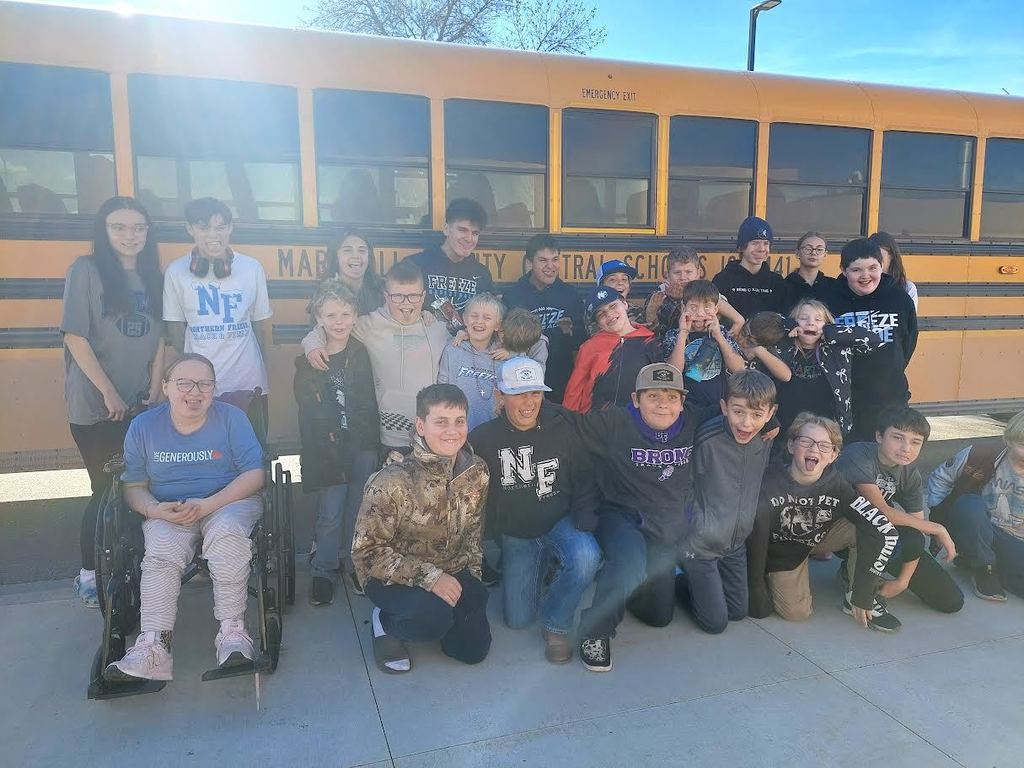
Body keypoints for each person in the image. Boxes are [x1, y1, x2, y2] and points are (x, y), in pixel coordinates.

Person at [104, 354, 266, 683]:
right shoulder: (144, 426)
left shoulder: (232, 418)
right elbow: (133, 486)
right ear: (165, 387)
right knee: (160, 545)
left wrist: (209, 505)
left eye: (204, 383)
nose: (195, 391)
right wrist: (153, 510)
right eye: (183, 383)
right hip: (169, 508)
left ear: (214, 388)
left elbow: (255, 475)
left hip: (229, 500)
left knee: (227, 534)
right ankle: (154, 647)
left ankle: (233, 633)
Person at [62, 196, 165, 608]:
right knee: (104, 489)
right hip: (95, 405)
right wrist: (107, 391)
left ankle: (132, 564)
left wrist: (156, 387)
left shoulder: (153, 277)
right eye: (119, 227)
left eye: (138, 227)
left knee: (140, 486)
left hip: (140, 404)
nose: (130, 235)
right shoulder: (85, 271)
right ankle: (89, 572)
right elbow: (75, 336)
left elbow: (161, 339)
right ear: (104, 231)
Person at [567, 363, 702, 672]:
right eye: (653, 396)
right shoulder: (615, 421)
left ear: (682, 402)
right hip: (622, 515)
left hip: (665, 523)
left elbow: (737, 409)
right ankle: (595, 631)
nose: (663, 404)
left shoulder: (694, 419)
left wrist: (771, 421)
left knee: (659, 616)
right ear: (636, 399)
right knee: (628, 565)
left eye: (671, 397)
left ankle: (624, 586)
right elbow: (568, 422)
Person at [469, 357, 601, 663]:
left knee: (587, 556)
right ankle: (545, 569)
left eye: (535, 393)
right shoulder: (482, 438)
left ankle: (557, 624)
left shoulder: (563, 428)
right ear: (500, 395)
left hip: (559, 522)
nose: (528, 403)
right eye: (518, 394)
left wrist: (584, 520)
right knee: (517, 620)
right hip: (517, 535)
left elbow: (584, 475)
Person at [352, 384, 491, 674]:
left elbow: (474, 530)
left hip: (452, 566)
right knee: (433, 619)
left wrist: (472, 578)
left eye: (459, 421)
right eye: (440, 422)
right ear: (420, 425)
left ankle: (443, 609)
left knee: (472, 650)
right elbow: (366, 554)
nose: (452, 431)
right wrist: (431, 578)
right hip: (392, 578)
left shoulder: (477, 471)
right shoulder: (392, 480)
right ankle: (385, 623)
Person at [747, 412, 901, 631]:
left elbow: (884, 529)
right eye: (806, 442)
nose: (814, 449)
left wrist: (863, 593)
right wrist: (756, 587)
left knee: (866, 527)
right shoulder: (769, 482)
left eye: (824, 446)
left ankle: (852, 593)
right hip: (783, 549)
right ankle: (788, 576)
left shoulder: (837, 483)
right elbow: (756, 540)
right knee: (796, 614)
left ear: (834, 455)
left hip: (818, 534)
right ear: (791, 446)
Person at [305, 259, 448, 461]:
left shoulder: (437, 328)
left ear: (423, 296)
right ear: (386, 296)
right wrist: (312, 345)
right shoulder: (370, 325)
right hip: (390, 436)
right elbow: (333, 326)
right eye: (398, 296)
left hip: (431, 433)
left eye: (414, 296)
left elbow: (471, 338)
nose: (406, 304)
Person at [836, 406, 964, 627]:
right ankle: (855, 586)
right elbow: (880, 511)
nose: (906, 448)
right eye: (898, 438)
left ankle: (855, 572)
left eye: (915, 442)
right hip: (839, 529)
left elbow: (915, 530)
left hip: (878, 533)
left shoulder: (910, 475)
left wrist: (902, 582)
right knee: (875, 526)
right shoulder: (857, 454)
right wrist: (937, 528)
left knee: (951, 600)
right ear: (879, 435)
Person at [294, 280, 380, 605]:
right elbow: (307, 406)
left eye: (345, 313)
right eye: (331, 315)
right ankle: (324, 567)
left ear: (356, 315)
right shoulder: (308, 360)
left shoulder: (362, 352)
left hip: (363, 443)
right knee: (330, 511)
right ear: (318, 318)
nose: (339, 321)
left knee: (360, 508)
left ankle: (356, 563)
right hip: (329, 448)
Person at [162, 197, 273, 440]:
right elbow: (175, 331)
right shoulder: (175, 272)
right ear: (190, 229)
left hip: (249, 383)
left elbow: (263, 326)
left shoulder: (251, 268)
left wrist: (262, 364)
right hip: (198, 388)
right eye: (204, 228)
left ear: (231, 228)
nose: (214, 235)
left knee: (253, 454)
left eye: (221, 227)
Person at [678, 370, 778, 634]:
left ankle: (704, 590)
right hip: (701, 545)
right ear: (724, 407)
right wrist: (697, 527)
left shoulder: (765, 439)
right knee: (715, 623)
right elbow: (684, 486)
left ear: (769, 414)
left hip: (735, 544)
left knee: (737, 611)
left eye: (757, 415)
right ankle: (681, 578)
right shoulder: (707, 440)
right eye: (738, 412)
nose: (746, 423)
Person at [823, 238, 918, 443]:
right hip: (845, 403)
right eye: (857, 270)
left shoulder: (899, 299)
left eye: (872, 268)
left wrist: (892, 369)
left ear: (882, 266)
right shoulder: (828, 299)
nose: (866, 276)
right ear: (843, 270)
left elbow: (908, 342)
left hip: (890, 400)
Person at [927, 410, 1024, 601]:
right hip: (975, 528)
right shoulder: (980, 454)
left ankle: (988, 568)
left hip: (1015, 540)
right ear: (1008, 440)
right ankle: (985, 569)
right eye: (1023, 444)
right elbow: (941, 477)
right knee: (969, 504)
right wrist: (937, 522)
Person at [769, 299, 884, 440]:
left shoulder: (837, 348)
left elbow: (873, 340)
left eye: (818, 320)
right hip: (787, 423)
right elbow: (759, 326)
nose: (811, 323)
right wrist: (786, 326)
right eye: (803, 318)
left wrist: (832, 332)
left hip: (828, 424)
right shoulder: (782, 346)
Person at [501, 234, 586, 402]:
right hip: (523, 381)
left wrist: (571, 331)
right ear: (529, 263)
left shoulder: (569, 294)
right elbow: (505, 340)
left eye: (555, 260)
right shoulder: (513, 296)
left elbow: (582, 341)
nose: (550, 266)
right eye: (543, 260)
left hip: (561, 381)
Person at [563, 286, 661, 413]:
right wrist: (568, 421)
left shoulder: (649, 341)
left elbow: (660, 385)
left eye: (613, 306)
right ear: (598, 323)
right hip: (594, 423)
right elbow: (574, 390)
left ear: (625, 303)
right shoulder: (589, 347)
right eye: (601, 314)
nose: (609, 314)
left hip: (637, 422)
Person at [662, 280, 745, 409]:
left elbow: (739, 369)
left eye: (707, 307)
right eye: (693, 307)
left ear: (716, 309)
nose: (700, 313)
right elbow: (673, 372)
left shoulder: (722, 332)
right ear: (684, 308)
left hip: (718, 405)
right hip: (685, 407)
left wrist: (718, 336)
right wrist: (683, 333)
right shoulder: (673, 335)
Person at [410, 197, 495, 322]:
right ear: (446, 228)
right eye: (462, 230)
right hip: (426, 338)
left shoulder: (482, 274)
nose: (469, 239)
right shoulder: (416, 265)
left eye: (475, 233)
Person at [644, 246, 744, 342]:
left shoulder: (706, 290)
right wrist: (651, 312)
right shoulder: (658, 296)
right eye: (677, 272)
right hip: (670, 347)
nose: (683, 277)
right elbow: (650, 334)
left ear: (698, 273)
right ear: (667, 275)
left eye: (688, 272)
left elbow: (719, 303)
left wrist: (683, 297)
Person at [437, 293, 504, 430]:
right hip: (457, 432)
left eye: (487, 318)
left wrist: (511, 351)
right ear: (465, 319)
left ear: (497, 325)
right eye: (474, 316)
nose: (479, 321)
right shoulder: (452, 349)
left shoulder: (504, 355)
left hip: (495, 432)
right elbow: (442, 390)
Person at [712, 216, 790, 318]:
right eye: (755, 243)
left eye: (766, 243)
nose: (761, 249)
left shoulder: (777, 282)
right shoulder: (723, 279)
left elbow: (784, 318)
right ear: (741, 247)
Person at [322, 228, 386, 315]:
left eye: (362, 251)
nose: (356, 256)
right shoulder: (323, 294)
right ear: (336, 257)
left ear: (369, 256)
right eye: (347, 250)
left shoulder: (382, 290)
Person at [587, 259, 645, 333]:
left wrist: (651, 315)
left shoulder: (637, 310)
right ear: (601, 287)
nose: (620, 283)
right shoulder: (595, 312)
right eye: (612, 280)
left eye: (624, 279)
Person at [868, 232, 918, 310]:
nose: (875, 261)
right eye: (871, 256)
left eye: (879, 256)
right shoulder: (863, 284)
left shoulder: (907, 287)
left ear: (891, 255)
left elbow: (909, 319)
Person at [784, 232, 835, 308]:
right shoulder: (784, 286)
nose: (813, 253)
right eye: (808, 249)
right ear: (797, 253)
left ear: (825, 255)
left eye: (819, 249)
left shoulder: (833, 286)